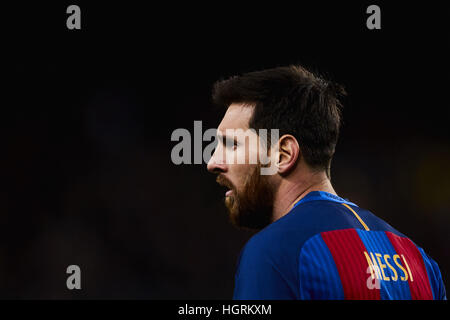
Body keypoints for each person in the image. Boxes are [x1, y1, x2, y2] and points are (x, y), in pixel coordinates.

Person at [206, 65, 446, 300]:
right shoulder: (420, 262)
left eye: (232, 145)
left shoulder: (274, 253)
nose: (213, 162)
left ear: (282, 155)